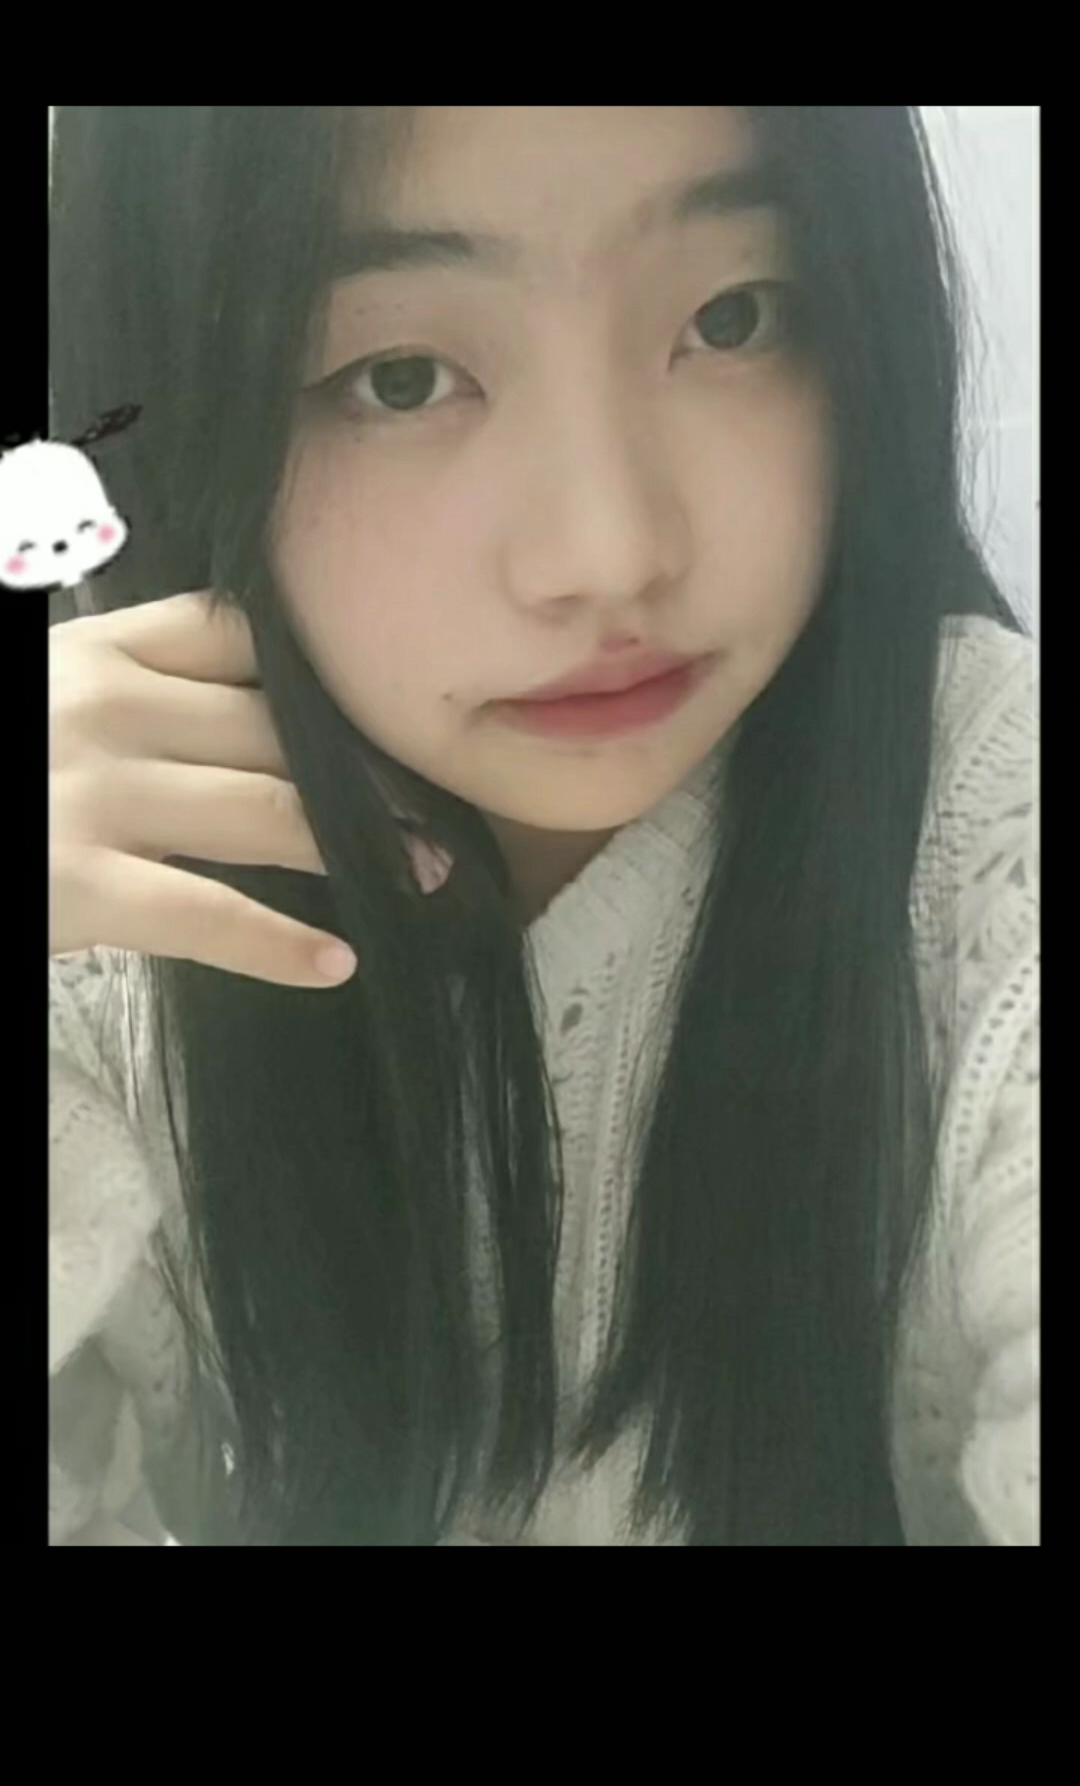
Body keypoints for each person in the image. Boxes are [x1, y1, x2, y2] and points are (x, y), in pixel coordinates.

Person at [48, 107, 1038, 1546]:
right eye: (399, 378)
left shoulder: (994, 843)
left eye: (733, 316)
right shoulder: (99, 928)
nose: (612, 551)